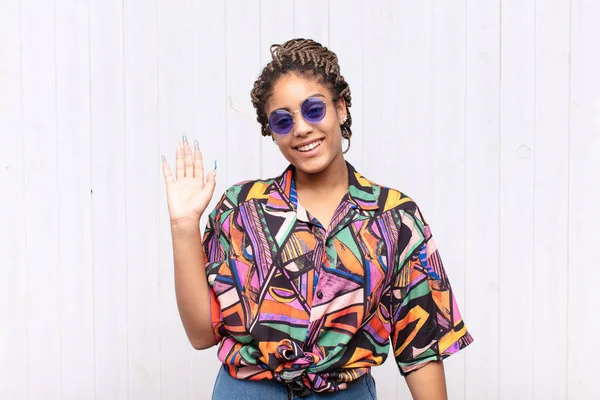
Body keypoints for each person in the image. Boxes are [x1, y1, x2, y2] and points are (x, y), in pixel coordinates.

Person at [161, 38, 473, 399]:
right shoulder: (241, 210)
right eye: (282, 120)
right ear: (272, 133)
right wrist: (183, 227)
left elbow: (422, 349)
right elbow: (201, 334)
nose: (302, 129)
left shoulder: (395, 218)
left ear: (341, 108)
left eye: (313, 110)